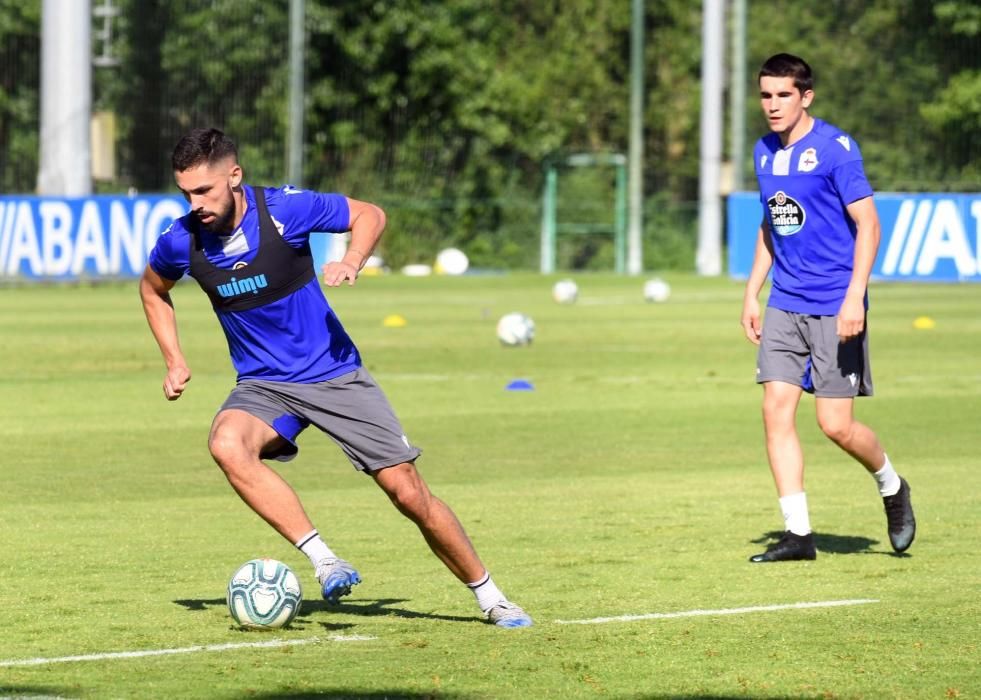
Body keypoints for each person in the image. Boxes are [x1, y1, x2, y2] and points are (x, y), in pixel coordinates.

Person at [139, 127, 532, 627]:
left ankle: (491, 596)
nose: (195, 204)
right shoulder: (182, 241)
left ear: (234, 177)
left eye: (204, 191)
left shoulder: (285, 211)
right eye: (186, 193)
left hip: (334, 374)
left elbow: (370, 213)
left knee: (408, 492)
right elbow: (153, 290)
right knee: (226, 443)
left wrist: (351, 259)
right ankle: (325, 559)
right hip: (264, 384)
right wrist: (173, 358)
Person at [740, 54, 916, 563]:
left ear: (806, 96)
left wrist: (855, 295)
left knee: (835, 425)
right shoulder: (764, 153)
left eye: (783, 95)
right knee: (775, 412)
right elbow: (772, 225)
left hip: (836, 304)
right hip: (784, 303)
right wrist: (753, 291)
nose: (772, 106)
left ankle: (891, 484)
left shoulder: (836, 150)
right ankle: (799, 536)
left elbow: (869, 225)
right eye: (766, 95)